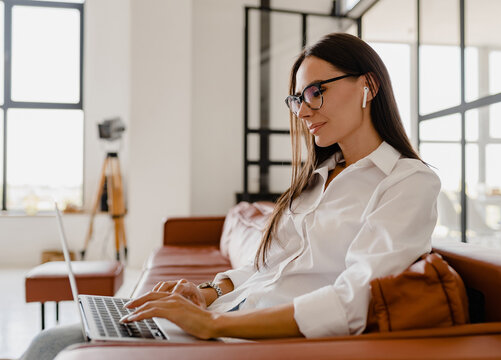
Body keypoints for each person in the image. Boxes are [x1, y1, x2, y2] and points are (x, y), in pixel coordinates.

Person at [20, 32, 440, 359]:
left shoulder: (406, 183)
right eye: (297, 99)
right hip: (224, 322)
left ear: (368, 85)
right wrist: (207, 293)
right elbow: (271, 270)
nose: (304, 111)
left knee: (60, 348)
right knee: (53, 339)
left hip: (250, 341)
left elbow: (355, 302)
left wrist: (207, 325)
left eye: (317, 91)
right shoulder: (317, 179)